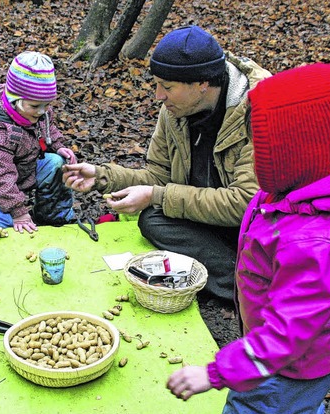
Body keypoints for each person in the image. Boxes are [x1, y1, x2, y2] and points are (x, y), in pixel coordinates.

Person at [166, 63, 330, 414]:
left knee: (258, 410)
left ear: (297, 154)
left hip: (288, 367)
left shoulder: (320, 244)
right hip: (293, 348)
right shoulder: (305, 185)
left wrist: (216, 373)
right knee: (297, 407)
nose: (253, 160)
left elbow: (286, 333)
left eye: (260, 149)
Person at [62, 26, 271, 301]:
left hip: (256, 226)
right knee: (152, 220)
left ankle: (247, 289)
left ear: (202, 84)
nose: (159, 95)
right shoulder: (174, 111)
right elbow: (159, 175)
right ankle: (230, 275)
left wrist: (156, 195)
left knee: (160, 207)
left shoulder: (258, 112)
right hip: (205, 217)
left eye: (168, 87)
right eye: (157, 84)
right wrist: (102, 176)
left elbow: (246, 204)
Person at [0, 51, 77, 234]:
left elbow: (48, 127)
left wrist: (58, 146)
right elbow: (0, 178)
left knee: (57, 164)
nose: (42, 111)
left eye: (47, 104)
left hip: (25, 169)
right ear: (13, 99)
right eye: (35, 106)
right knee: (2, 227)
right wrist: (18, 212)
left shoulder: (35, 110)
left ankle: (55, 218)